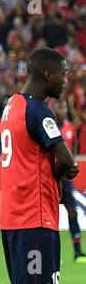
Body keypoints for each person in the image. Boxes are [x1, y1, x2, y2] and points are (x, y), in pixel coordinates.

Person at [0, 48, 78, 284]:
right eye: (62, 73)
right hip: (35, 220)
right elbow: (67, 160)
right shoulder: (38, 111)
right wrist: (61, 177)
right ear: (47, 75)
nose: (65, 79)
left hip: (13, 219)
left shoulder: (11, 106)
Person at [58, 105, 84, 262]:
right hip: (52, 179)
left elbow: (73, 149)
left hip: (66, 181)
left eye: (64, 109)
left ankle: (78, 251)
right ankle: (50, 251)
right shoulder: (48, 126)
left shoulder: (70, 128)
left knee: (72, 212)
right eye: (60, 108)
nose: (63, 110)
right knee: (50, 217)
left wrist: (71, 165)